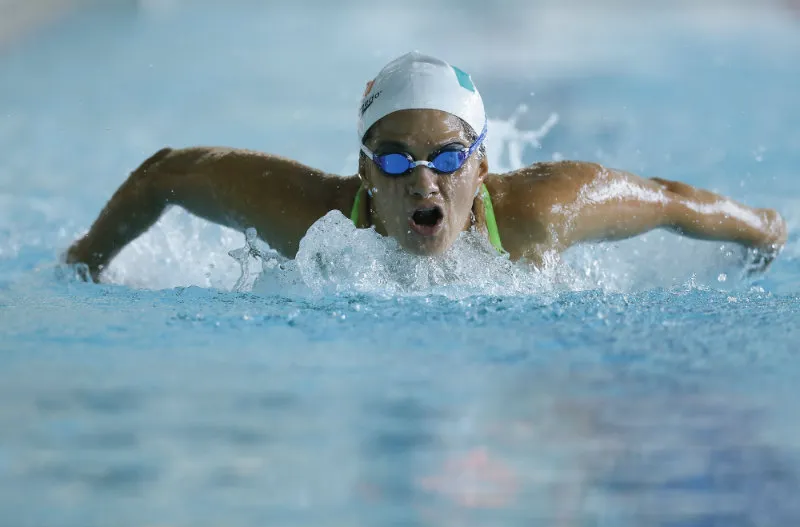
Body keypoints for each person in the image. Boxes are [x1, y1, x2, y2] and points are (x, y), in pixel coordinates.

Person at [64, 52, 787, 282]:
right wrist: (84, 261)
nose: (422, 180)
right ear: (363, 172)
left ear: (481, 165)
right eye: (395, 159)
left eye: (446, 158)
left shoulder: (540, 212)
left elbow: (665, 199)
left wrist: (760, 228)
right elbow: (165, 172)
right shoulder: (318, 219)